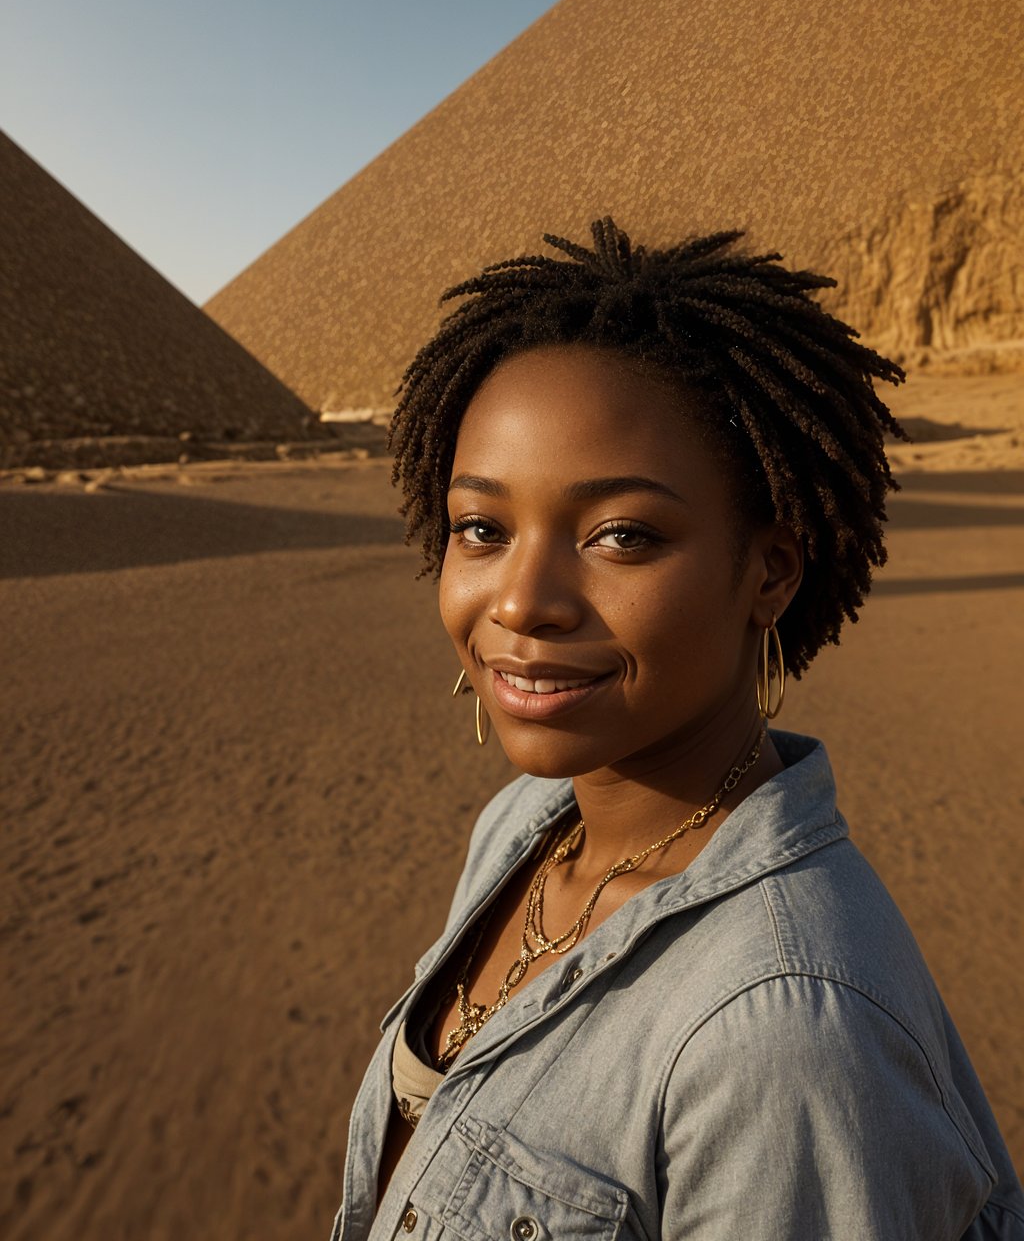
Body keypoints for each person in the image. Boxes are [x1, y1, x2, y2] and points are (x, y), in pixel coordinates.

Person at [330, 220, 1024, 1240]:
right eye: (483, 528)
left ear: (771, 571)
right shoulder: (521, 827)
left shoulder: (784, 1031)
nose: (522, 603)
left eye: (622, 536)